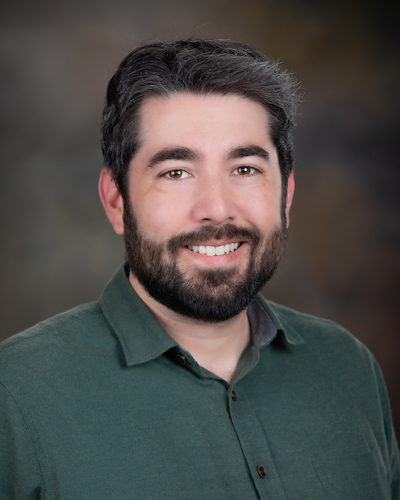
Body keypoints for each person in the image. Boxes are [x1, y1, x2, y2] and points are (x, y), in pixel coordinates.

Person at [0, 39, 399, 499]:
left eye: (245, 169)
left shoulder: (347, 367)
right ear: (116, 201)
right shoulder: (16, 392)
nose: (217, 208)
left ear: (285, 195)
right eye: (176, 172)